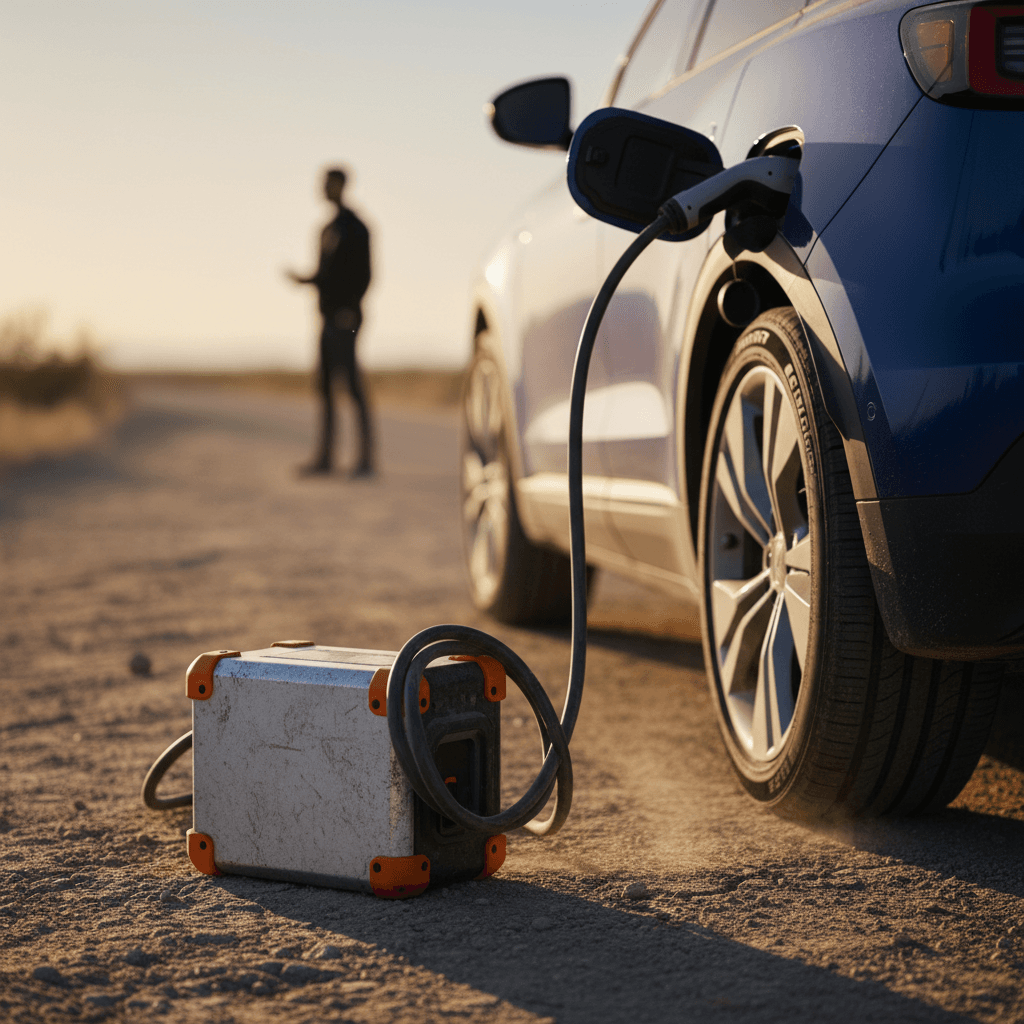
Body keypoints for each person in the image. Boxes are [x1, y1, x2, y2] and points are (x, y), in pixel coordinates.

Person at [286, 167, 374, 477]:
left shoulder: (355, 228)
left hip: (347, 316)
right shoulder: (327, 229)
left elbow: (365, 274)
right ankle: (326, 457)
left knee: (350, 383)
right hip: (326, 315)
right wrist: (306, 280)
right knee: (324, 384)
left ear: (340, 186)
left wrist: (350, 307)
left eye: (327, 184)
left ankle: (366, 459)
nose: (322, 188)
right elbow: (326, 275)